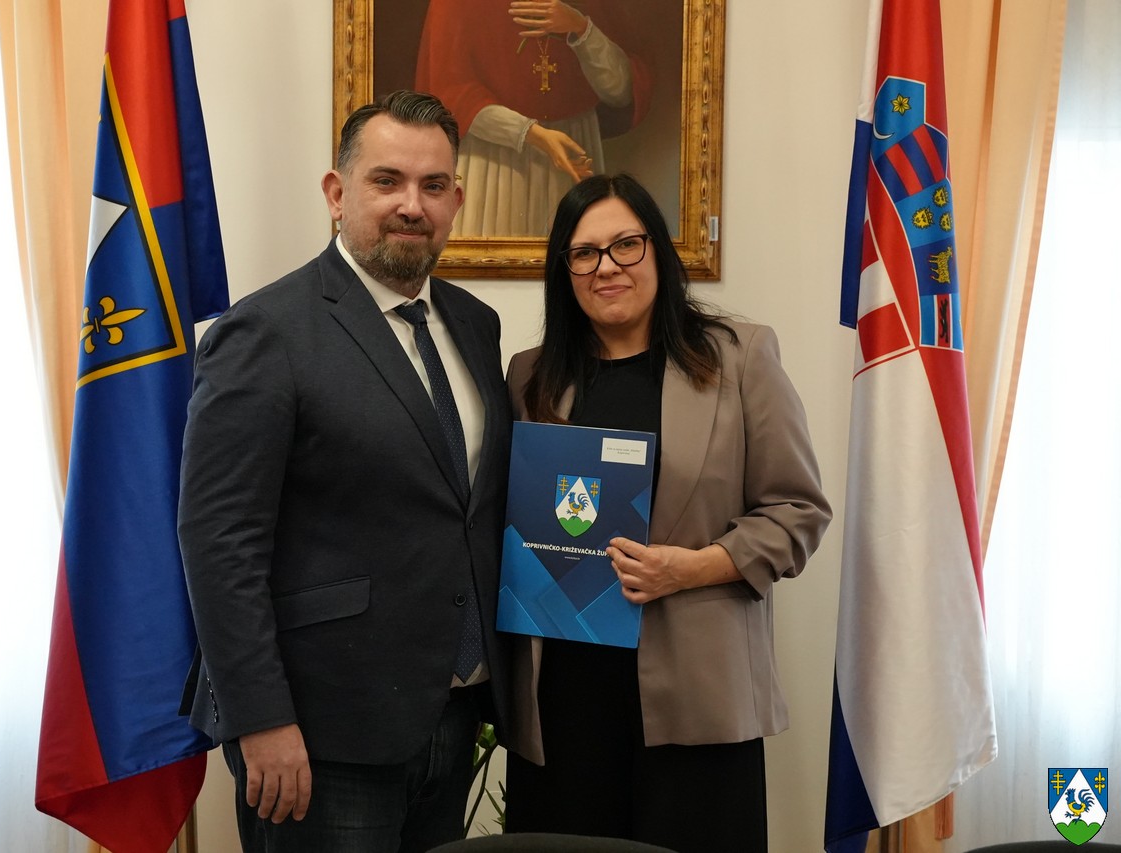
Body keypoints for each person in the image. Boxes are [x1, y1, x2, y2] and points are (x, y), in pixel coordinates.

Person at [177, 90, 511, 853]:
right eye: (386, 180)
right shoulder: (266, 331)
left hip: (451, 715)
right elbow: (219, 541)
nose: (412, 205)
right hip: (319, 733)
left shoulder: (474, 325)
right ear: (337, 192)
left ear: (456, 200)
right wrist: (260, 717)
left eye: (433, 185)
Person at [502, 173, 831, 853]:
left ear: (658, 248)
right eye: (584, 252)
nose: (607, 267)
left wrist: (694, 567)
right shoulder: (530, 375)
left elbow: (798, 510)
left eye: (626, 244)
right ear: (564, 270)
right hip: (564, 703)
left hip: (697, 701)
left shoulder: (739, 357)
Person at [415, 0, 653, 236]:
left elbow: (620, 93)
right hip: (496, 157)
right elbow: (452, 94)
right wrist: (534, 134)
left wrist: (581, 28)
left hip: (574, 148)